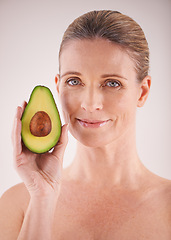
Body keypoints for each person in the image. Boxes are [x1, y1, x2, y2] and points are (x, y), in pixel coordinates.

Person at [0, 10, 171, 240]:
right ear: (59, 87)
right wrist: (42, 198)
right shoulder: (16, 205)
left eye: (112, 83)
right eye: (74, 81)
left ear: (142, 92)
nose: (90, 104)